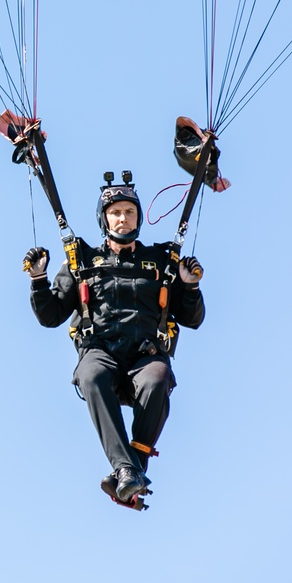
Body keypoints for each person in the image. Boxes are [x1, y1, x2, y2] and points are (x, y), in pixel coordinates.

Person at [23, 176, 206, 505]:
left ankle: (127, 473)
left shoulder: (162, 263)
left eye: (130, 212)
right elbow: (51, 316)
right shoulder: (83, 261)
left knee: (158, 378)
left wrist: (190, 286)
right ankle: (129, 470)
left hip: (144, 357)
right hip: (100, 352)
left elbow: (192, 319)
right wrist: (38, 279)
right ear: (104, 218)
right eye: (116, 212)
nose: (124, 219)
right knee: (90, 374)